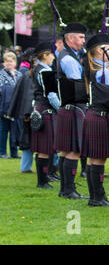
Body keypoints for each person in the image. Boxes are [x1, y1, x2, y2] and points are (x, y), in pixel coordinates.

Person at [80, 33, 109, 207]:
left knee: (93, 158)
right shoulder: (102, 70)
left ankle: (94, 196)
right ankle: (98, 197)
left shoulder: (93, 67)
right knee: (99, 158)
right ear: (99, 51)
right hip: (101, 116)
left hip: (91, 115)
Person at [54, 22, 89, 199]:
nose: (84, 41)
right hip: (75, 107)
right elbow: (80, 85)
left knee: (66, 150)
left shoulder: (71, 55)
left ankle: (65, 189)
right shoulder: (69, 59)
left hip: (68, 109)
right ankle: (69, 190)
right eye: (81, 37)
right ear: (70, 38)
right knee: (74, 150)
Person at [30, 42, 60, 188]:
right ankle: (42, 182)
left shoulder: (39, 69)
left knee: (45, 148)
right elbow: (51, 94)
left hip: (41, 109)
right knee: (44, 148)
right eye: (51, 54)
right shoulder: (44, 71)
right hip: (46, 110)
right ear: (45, 55)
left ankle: (44, 179)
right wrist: (61, 109)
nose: (54, 57)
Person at [0, 52, 22, 159]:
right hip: (4, 107)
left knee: (15, 129)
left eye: (11, 61)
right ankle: (2, 152)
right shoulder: (1, 75)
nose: (9, 63)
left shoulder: (19, 74)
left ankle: (14, 152)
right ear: (4, 63)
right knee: (4, 130)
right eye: (7, 61)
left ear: (15, 62)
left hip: (17, 107)